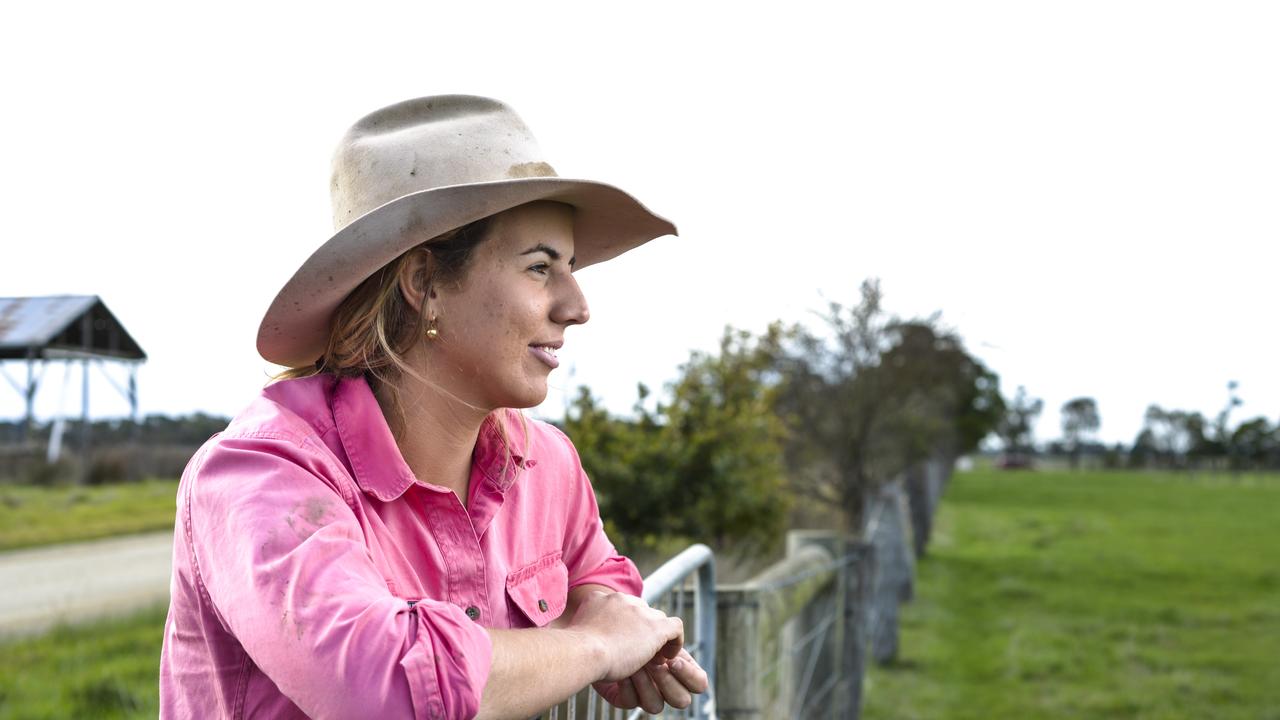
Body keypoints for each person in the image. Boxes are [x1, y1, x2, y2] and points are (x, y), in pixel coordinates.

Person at [159, 95, 709, 719]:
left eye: (572, 267)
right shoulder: (260, 476)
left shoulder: (545, 463)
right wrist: (593, 647)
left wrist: (607, 616)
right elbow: (388, 688)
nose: (577, 306)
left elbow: (603, 584)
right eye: (539, 267)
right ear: (424, 284)